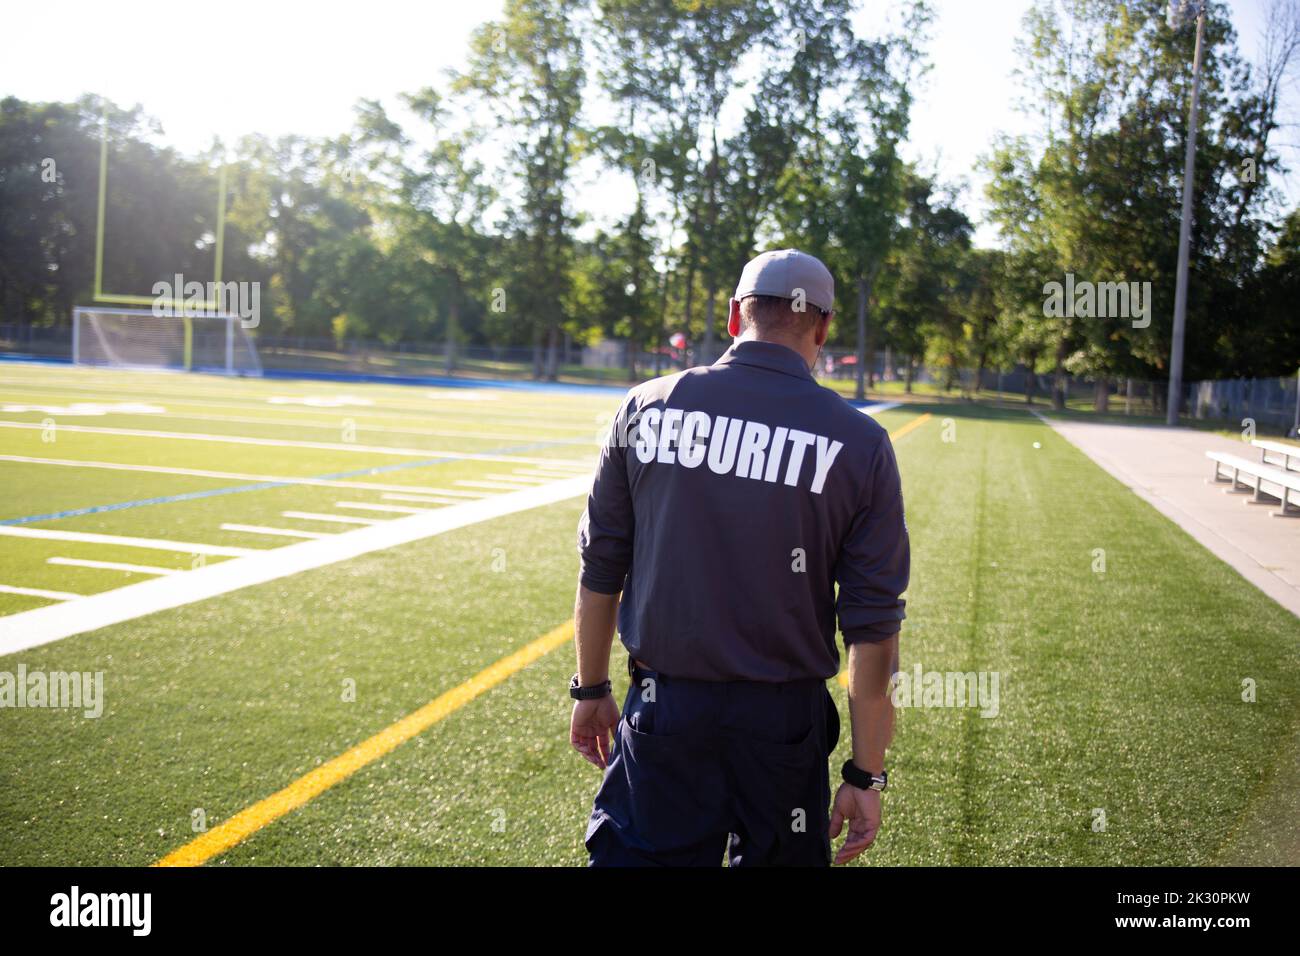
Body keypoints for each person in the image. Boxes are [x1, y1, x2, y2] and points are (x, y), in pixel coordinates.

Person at [569, 248, 909, 866]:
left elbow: (601, 565)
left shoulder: (646, 405)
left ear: (734, 316)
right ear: (823, 325)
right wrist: (866, 775)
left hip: (666, 712)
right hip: (784, 726)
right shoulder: (860, 441)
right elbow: (873, 626)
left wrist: (590, 684)